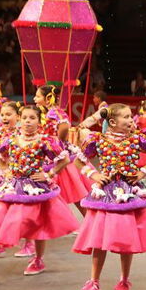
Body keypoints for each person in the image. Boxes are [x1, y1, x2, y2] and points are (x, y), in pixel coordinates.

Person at [72, 103, 146, 290]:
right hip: (105, 195)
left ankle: (124, 280)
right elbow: (78, 160)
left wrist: (144, 172)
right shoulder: (97, 140)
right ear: (113, 122)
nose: (130, 120)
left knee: (127, 239)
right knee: (99, 241)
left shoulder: (138, 138)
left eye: (130, 116)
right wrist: (95, 174)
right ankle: (94, 282)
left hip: (129, 193)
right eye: (126, 117)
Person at [0, 105, 79, 278]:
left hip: (35, 188)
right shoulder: (11, 139)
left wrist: (48, 174)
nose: (27, 121)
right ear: (19, 119)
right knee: (0, 222)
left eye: (32, 118)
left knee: (38, 225)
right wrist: (5, 171)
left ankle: (38, 259)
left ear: (38, 121)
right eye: (24, 118)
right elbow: (0, 155)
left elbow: (63, 160)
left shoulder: (45, 141)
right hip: (12, 186)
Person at [34, 85, 88, 217]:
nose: (35, 98)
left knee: (75, 194)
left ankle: (88, 224)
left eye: (38, 96)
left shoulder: (54, 112)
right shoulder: (47, 113)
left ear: (48, 98)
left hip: (58, 156)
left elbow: (64, 127)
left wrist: (57, 141)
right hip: (50, 154)